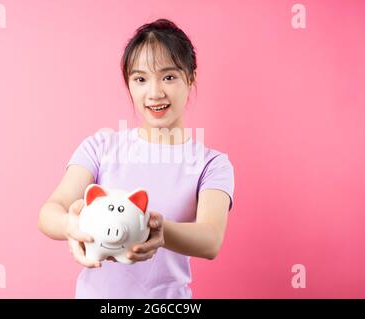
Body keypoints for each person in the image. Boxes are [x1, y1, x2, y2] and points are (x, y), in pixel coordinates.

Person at [38, 18, 235, 299]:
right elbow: (49, 212)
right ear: (129, 84)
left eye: (169, 76)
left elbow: (210, 240)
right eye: (140, 79)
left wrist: (155, 228)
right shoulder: (101, 146)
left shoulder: (212, 164)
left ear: (191, 78)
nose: (154, 93)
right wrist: (71, 226)